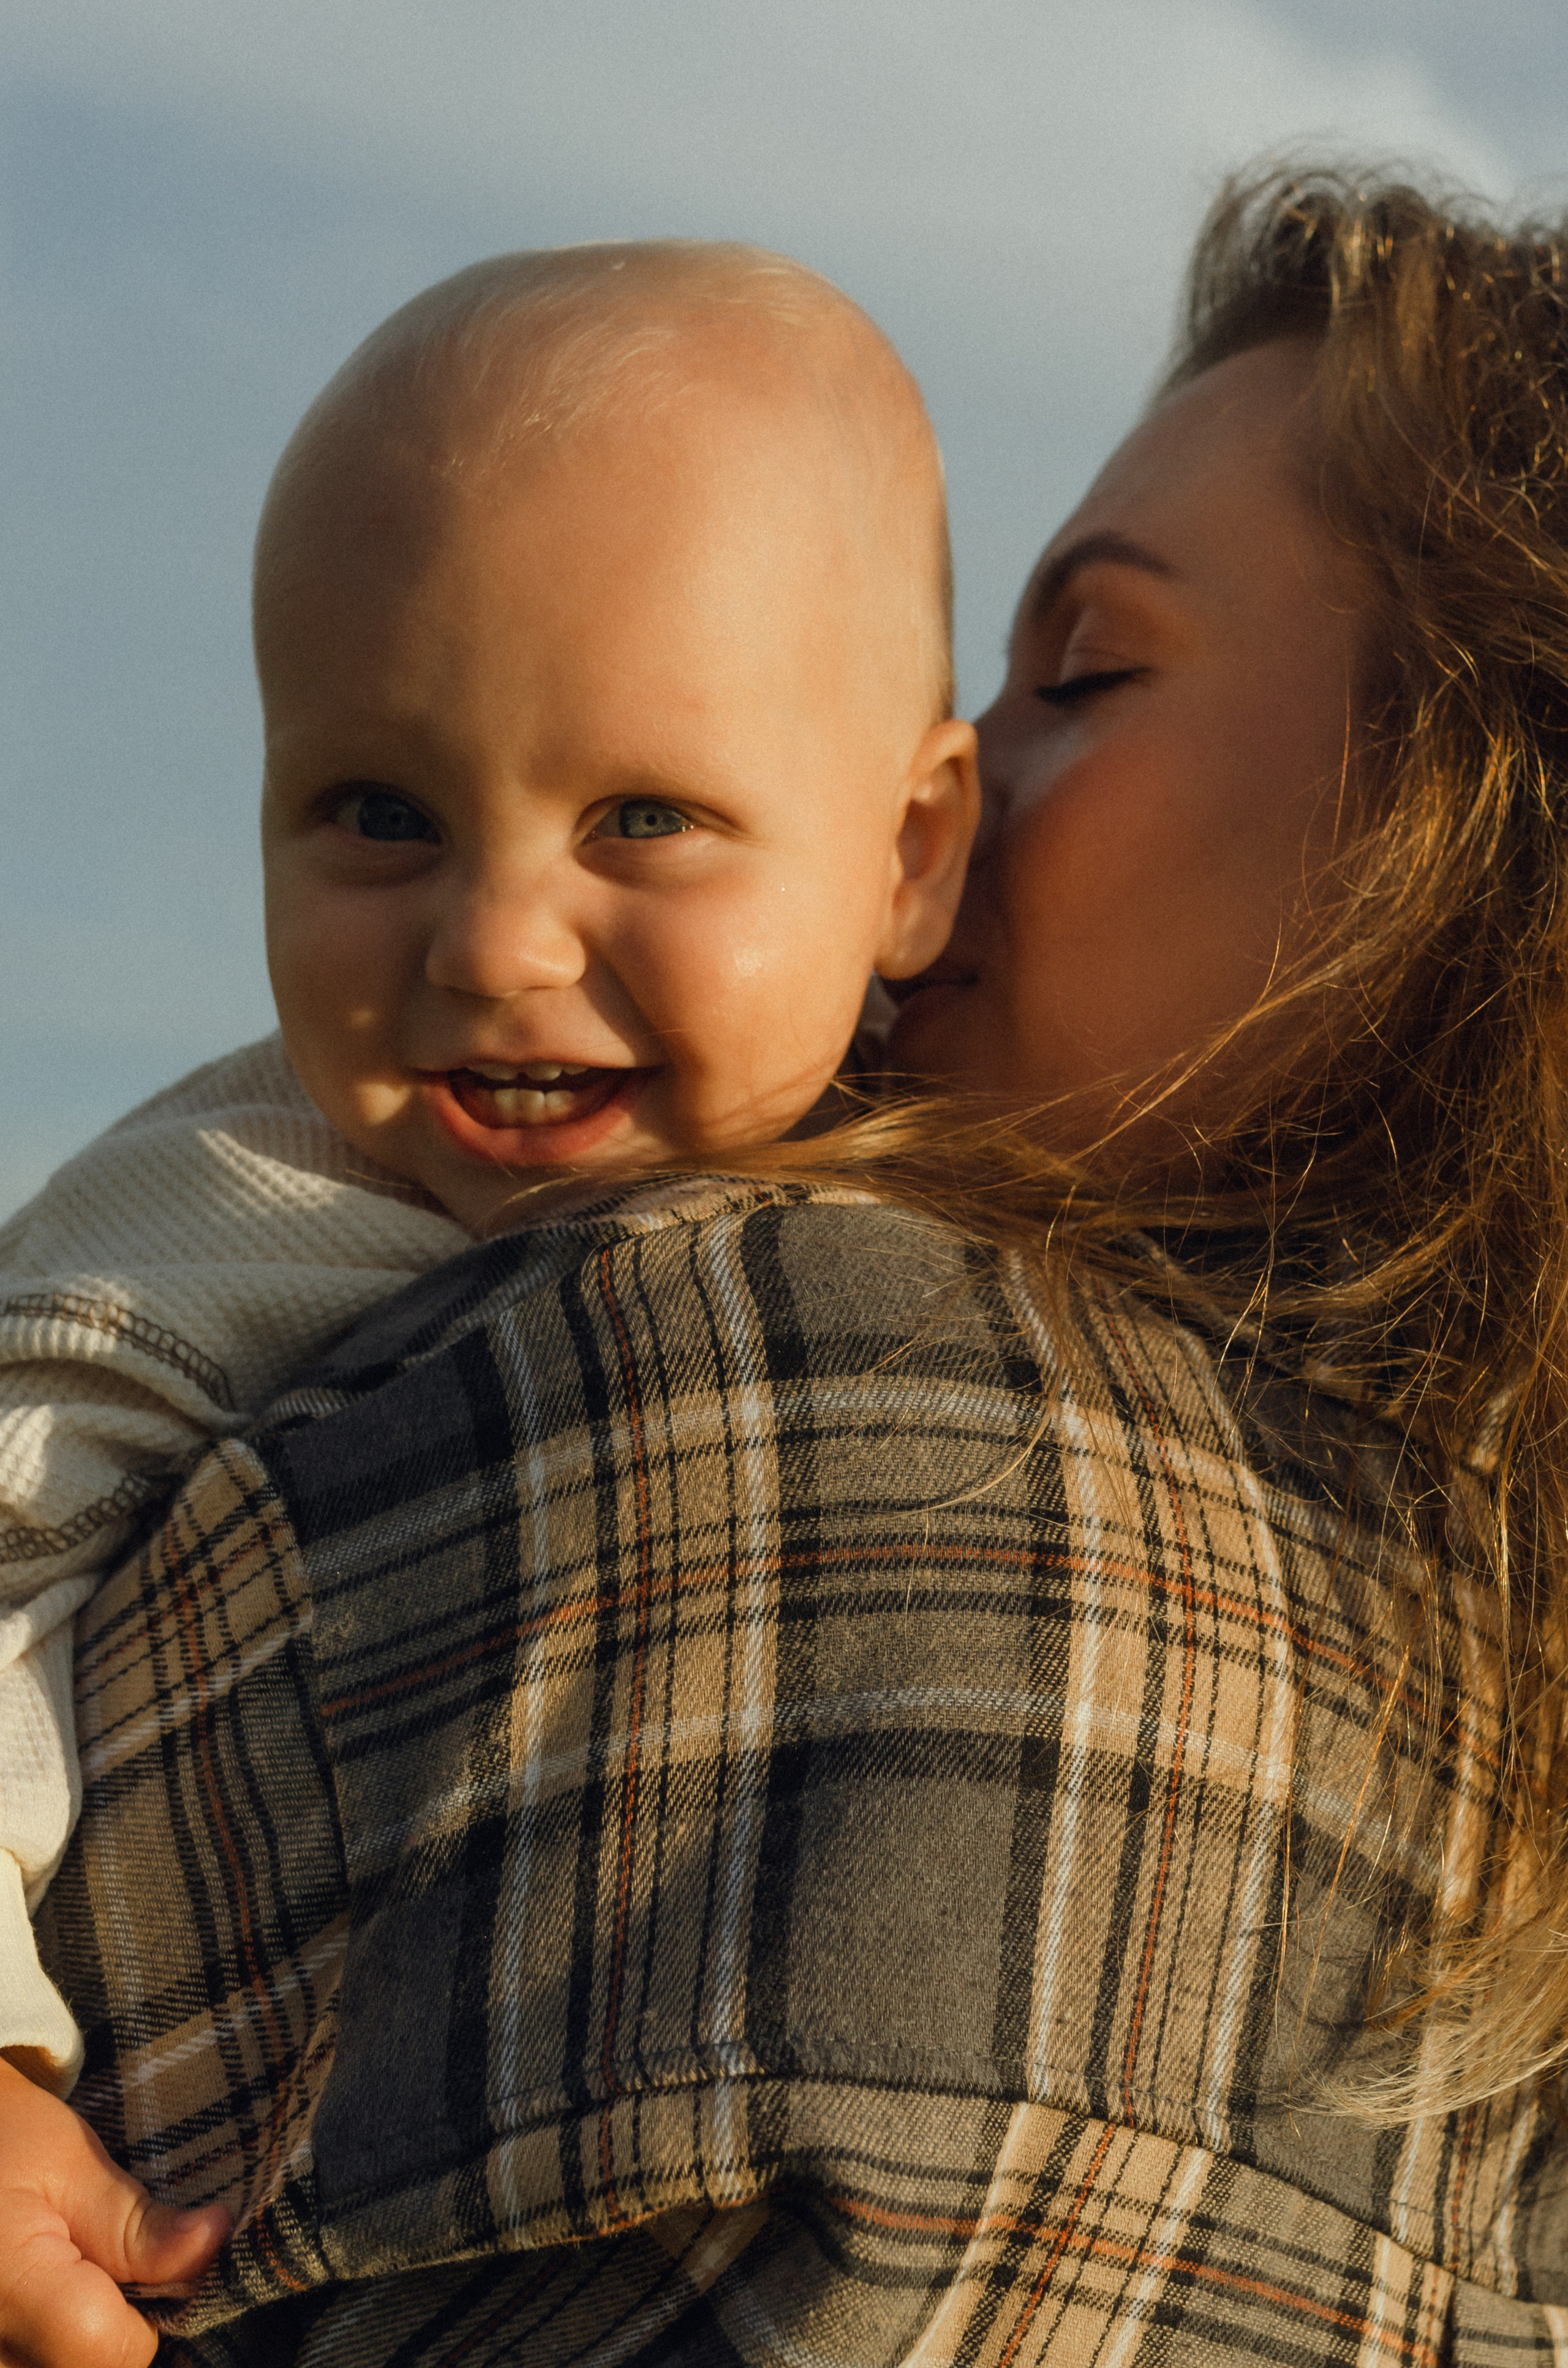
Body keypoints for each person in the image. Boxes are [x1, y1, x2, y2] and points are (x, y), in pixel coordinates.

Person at [13, 159, 1568, 2365]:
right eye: (380, 812)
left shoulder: (805, 1381)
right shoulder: (1477, 1696)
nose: (957, 795)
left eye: (1085, 667)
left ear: (1476, 809)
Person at [0, 240, 977, 2095]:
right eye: (383, 814)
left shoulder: (988, 1164)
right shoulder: (224, 1222)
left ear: (911, 853)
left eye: (643, 819)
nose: (493, 945)